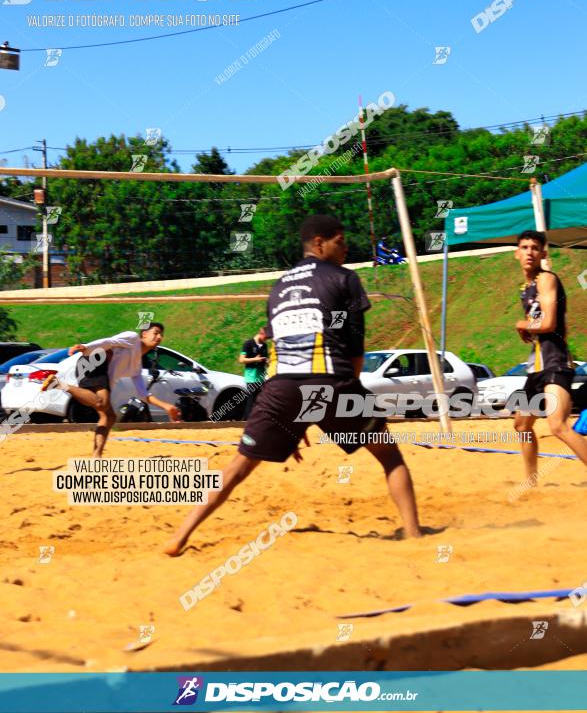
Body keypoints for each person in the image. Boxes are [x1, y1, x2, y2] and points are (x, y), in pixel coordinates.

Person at [165, 214, 421, 556]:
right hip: (333, 378)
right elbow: (355, 348)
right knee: (391, 457)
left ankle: (179, 537)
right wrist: (343, 396)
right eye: (340, 242)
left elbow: (278, 351)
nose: (345, 248)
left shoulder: (279, 288)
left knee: (238, 467)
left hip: (282, 386)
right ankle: (416, 535)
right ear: (320, 243)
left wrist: (298, 418)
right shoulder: (344, 278)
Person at [513, 230, 587, 482]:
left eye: (535, 248)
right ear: (516, 253)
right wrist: (529, 329)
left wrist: (523, 325)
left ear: (543, 253)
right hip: (536, 367)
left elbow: (549, 323)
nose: (529, 252)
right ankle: (531, 481)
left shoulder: (546, 279)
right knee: (522, 425)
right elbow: (538, 325)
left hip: (555, 363)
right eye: (524, 247)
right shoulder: (525, 288)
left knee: (558, 426)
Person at [48, 322, 180, 456]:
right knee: (102, 403)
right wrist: (86, 347)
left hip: (102, 374)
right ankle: (58, 384)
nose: (159, 337)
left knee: (109, 416)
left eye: (161, 335)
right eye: (156, 333)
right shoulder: (133, 338)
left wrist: (167, 407)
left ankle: (96, 456)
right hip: (95, 359)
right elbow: (108, 342)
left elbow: (143, 394)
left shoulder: (136, 367)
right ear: (144, 334)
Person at [239, 326, 268, 419]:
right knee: (251, 400)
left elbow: (265, 359)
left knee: (262, 400)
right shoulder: (248, 343)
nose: (266, 340)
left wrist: (267, 361)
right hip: (251, 377)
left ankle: (259, 420)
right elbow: (241, 359)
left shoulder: (264, 345)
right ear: (261, 334)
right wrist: (255, 359)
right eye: (266, 337)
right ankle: (245, 421)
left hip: (261, 377)